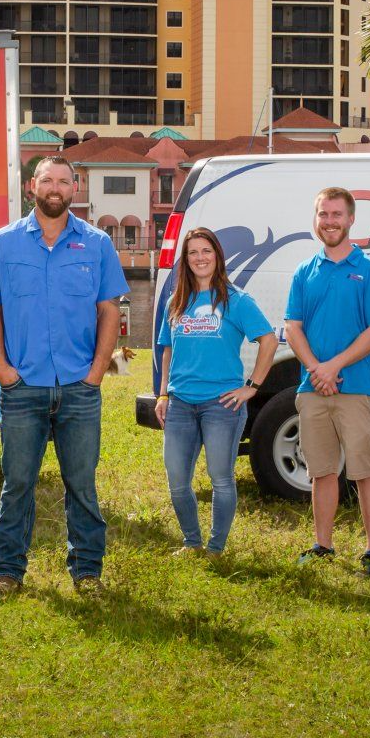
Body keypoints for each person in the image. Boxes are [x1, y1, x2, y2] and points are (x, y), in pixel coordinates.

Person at [0, 156, 128, 594]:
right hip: (23, 389)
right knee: (17, 483)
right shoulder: (3, 243)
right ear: (31, 187)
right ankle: (7, 570)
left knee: (81, 485)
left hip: (79, 388)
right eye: (47, 180)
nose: (55, 187)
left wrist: (97, 372)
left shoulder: (97, 244)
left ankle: (87, 572)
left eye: (63, 180)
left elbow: (108, 310)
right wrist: (2, 369)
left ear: (75, 188)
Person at [284, 186, 370, 572]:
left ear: (350, 220)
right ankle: (323, 544)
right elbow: (292, 327)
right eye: (323, 214)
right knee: (322, 471)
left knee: (365, 470)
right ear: (316, 220)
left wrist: (335, 367)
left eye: (336, 215)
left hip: (357, 388)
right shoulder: (303, 271)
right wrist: (317, 368)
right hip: (312, 389)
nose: (329, 221)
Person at [153, 227, 277, 556]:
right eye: (193, 252)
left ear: (217, 256)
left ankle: (216, 547)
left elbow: (269, 340)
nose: (200, 258)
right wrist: (163, 393)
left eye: (206, 251)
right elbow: (167, 349)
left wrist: (252, 387)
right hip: (180, 403)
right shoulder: (176, 301)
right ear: (186, 259)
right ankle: (192, 542)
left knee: (221, 478)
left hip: (221, 405)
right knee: (177, 480)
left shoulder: (235, 300)